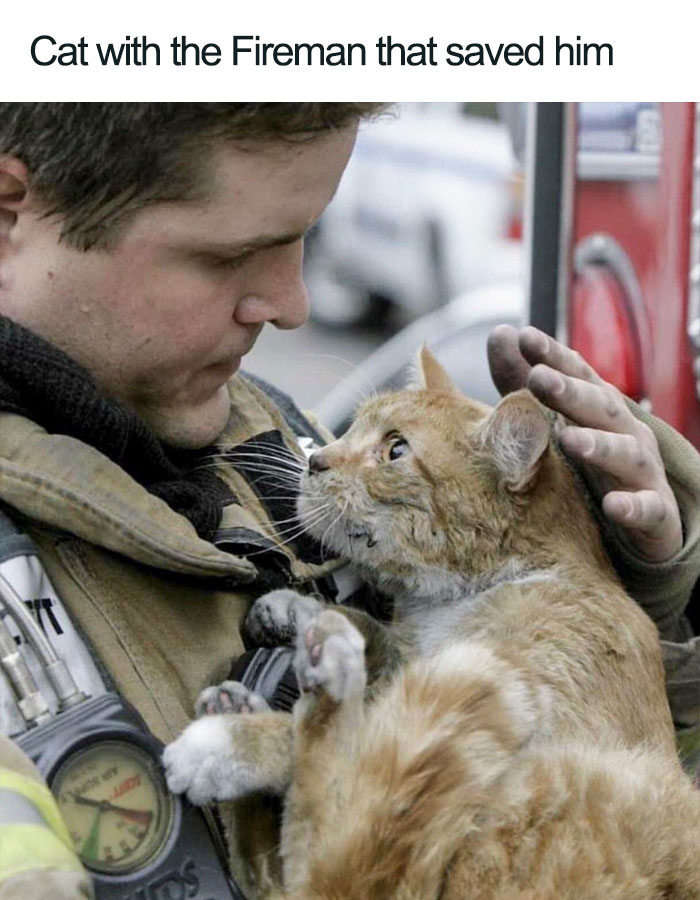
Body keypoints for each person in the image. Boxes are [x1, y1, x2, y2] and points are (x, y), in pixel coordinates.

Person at [0, 104, 697, 899]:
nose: (295, 304)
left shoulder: (272, 432)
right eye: (234, 253)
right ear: (10, 213)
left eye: (303, 238)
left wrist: (634, 594)